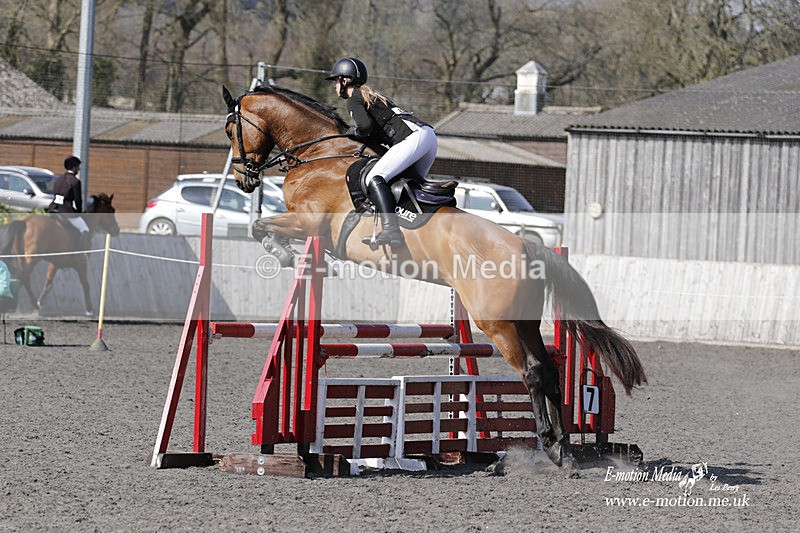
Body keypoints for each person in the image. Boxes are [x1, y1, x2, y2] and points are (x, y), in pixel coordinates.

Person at [326, 57, 438, 247]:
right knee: (403, 186)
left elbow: (365, 127)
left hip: (412, 138)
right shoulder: (369, 95)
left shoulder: (354, 98)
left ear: (345, 81)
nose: (335, 86)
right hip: (428, 137)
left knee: (374, 178)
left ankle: (391, 230)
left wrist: (354, 132)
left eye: (337, 81)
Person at [48, 156, 91, 250]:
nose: (79, 169)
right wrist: (79, 213)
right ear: (74, 167)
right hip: (66, 210)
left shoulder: (58, 179)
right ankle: (78, 253)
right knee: (85, 230)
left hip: (53, 208)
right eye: (78, 166)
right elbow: (78, 200)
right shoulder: (75, 182)